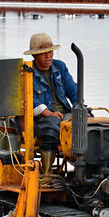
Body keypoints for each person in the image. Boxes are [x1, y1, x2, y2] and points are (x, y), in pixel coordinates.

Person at [23, 33, 78, 175]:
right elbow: (30, 99)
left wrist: (81, 109)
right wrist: (48, 113)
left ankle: (83, 171)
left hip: (64, 115)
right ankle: (47, 174)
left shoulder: (60, 66)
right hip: (40, 118)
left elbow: (73, 90)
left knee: (87, 123)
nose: (48, 56)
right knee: (52, 126)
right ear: (34, 55)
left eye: (50, 52)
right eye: (43, 53)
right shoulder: (27, 71)